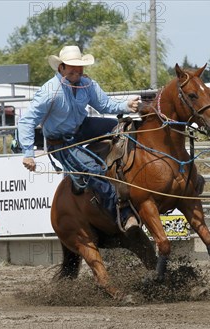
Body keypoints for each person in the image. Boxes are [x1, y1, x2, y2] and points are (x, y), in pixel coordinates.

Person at [18, 45, 141, 232]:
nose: (77, 71)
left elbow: (104, 104)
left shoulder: (87, 84)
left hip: (81, 127)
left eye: (80, 67)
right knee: (92, 170)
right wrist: (28, 153)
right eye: (72, 66)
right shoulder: (50, 92)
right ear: (61, 68)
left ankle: (128, 171)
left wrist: (126, 105)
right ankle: (122, 216)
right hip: (60, 141)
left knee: (122, 128)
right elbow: (26, 121)